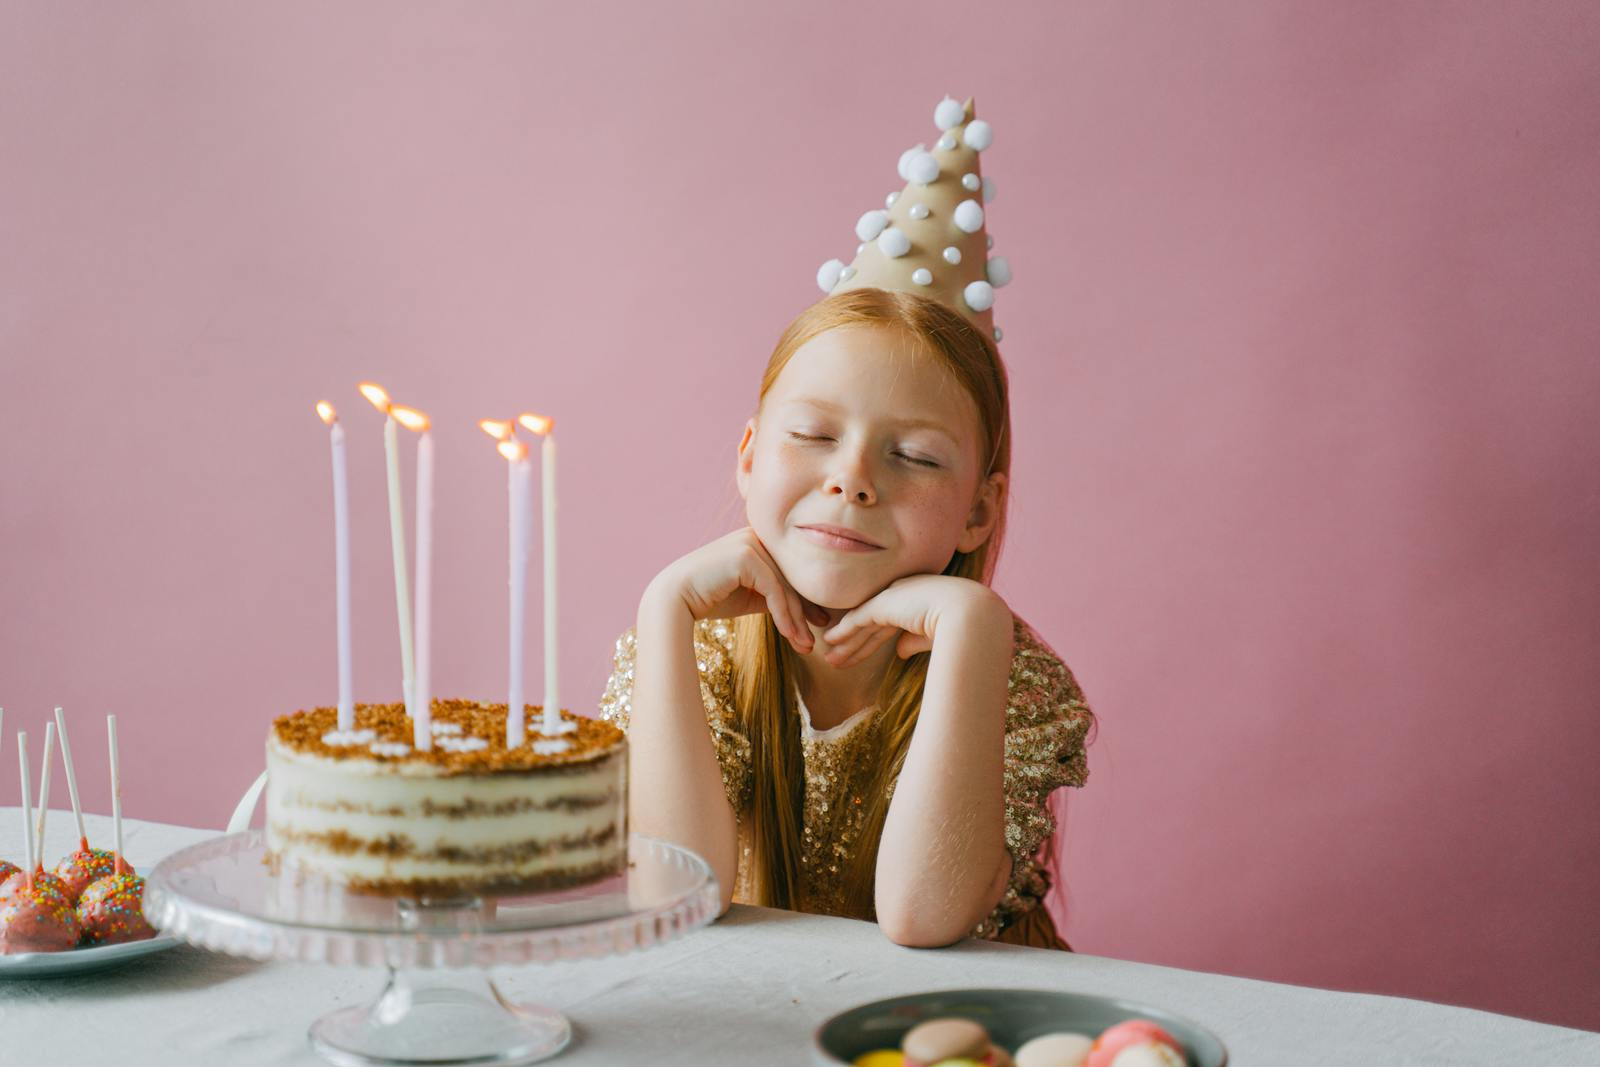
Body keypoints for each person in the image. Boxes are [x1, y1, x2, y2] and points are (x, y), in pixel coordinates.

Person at [599, 98, 1095, 950]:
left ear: (980, 507)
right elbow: (675, 893)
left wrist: (975, 627)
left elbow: (926, 917)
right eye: (814, 435)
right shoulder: (709, 650)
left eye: (917, 455)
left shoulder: (1017, 681)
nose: (853, 480)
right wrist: (663, 607)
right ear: (751, 456)